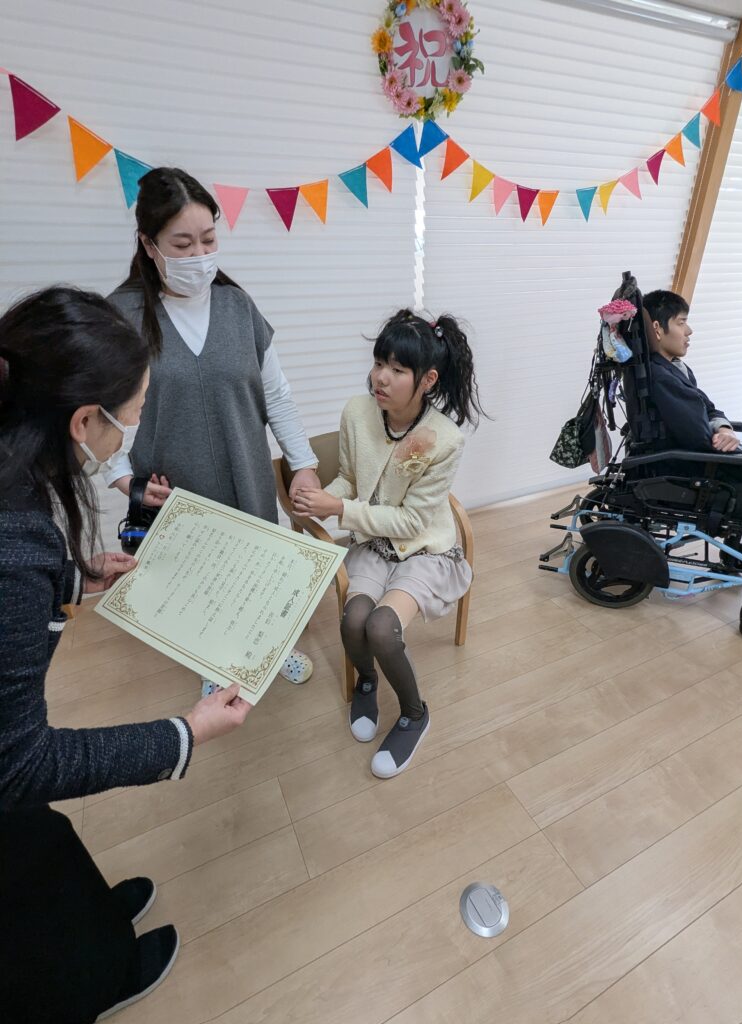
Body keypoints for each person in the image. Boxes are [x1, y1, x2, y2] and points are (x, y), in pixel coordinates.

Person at [0, 286, 253, 1023]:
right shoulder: (14, 544)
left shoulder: (16, 490)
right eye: (134, 413)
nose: (132, 433)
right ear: (85, 420)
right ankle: (96, 976)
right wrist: (185, 733)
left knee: (43, 838)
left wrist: (73, 576)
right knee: (26, 855)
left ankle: (95, 926)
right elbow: (20, 762)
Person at [105, 167, 320, 693]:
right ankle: (214, 663)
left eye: (208, 239)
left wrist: (304, 464)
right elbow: (101, 414)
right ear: (149, 244)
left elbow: (277, 396)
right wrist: (122, 479)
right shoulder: (122, 316)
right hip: (174, 486)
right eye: (183, 244)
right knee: (201, 584)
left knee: (259, 572)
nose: (200, 255)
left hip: (247, 473)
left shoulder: (238, 307)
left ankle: (271, 647)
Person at [292, 310, 483, 778]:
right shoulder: (357, 412)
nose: (381, 377)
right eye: (379, 363)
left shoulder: (445, 439)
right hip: (374, 542)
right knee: (353, 620)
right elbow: (351, 478)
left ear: (427, 379)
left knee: (381, 627)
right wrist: (320, 499)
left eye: (397, 369)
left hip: (424, 548)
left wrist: (338, 509)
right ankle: (367, 682)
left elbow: (413, 520)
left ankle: (415, 714)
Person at [644, 288, 742, 519]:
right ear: (657, 328)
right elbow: (697, 437)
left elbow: (708, 408)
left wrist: (724, 429)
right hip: (698, 469)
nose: (689, 331)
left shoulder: (676, 368)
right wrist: (726, 443)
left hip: (703, 457)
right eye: (681, 322)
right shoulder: (661, 378)